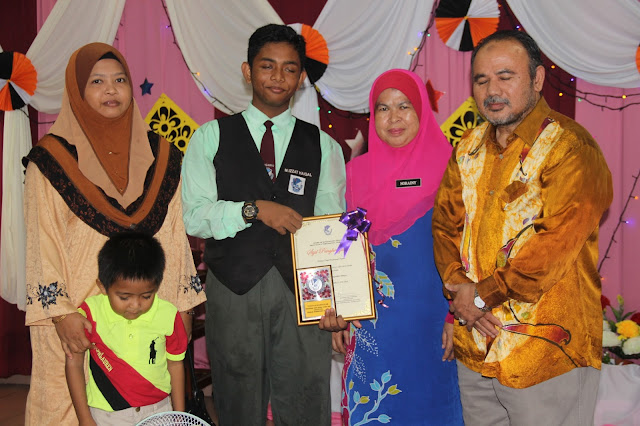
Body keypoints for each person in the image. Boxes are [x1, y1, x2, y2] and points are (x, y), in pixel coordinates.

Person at [432, 30, 613, 426]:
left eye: (505, 76)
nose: (492, 90)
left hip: (545, 352)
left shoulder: (571, 147)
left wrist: (479, 297)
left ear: (537, 79)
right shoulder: (467, 147)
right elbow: (445, 226)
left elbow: (554, 246)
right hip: (477, 345)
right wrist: (461, 292)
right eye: (481, 80)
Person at [23, 43, 206, 426]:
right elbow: (41, 243)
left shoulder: (163, 155)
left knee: (151, 402)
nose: (111, 89)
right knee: (69, 406)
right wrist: (61, 314)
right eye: (97, 81)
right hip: (80, 317)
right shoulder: (50, 160)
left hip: (147, 309)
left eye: (120, 80)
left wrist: (182, 306)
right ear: (77, 91)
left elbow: (175, 236)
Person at [181, 24, 346, 425]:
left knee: (307, 398)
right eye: (267, 66)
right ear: (247, 71)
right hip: (232, 286)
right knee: (237, 400)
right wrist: (251, 210)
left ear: (301, 77)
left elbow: (330, 229)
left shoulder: (323, 146)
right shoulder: (210, 137)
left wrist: (334, 301)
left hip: (302, 292)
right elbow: (194, 217)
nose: (278, 77)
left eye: (290, 69)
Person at [320, 69, 463, 425]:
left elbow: (469, 248)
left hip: (435, 321)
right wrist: (341, 309)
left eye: (404, 106)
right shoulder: (356, 173)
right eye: (383, 108)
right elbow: (347, 245)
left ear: (421, 111)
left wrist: (456, 315)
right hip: (373, 325)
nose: (393, 117)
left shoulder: (453, 169)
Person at [65, 232, 187, 425]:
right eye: (124, 297)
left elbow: (176, 365)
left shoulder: (169, 315)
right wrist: (85, 419)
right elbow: (74, 364)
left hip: (159, 411)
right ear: (102, 287)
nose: (135, 305)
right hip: (107, 415)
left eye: (146, 296)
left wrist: (180, 416)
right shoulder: (89, 314)